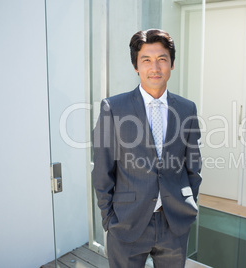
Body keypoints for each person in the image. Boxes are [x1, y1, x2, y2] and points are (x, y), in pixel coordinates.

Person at [92, 29, 202, 268]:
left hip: (174, 223)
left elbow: (193, 166)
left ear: (172, 64)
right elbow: (102, 169)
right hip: (126, 223)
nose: (155, 67)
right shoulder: (114, 108)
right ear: (136, 66)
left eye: (162, 59)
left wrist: (188, 204)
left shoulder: (187, 109)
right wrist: (109, 219)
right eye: (146, 60)